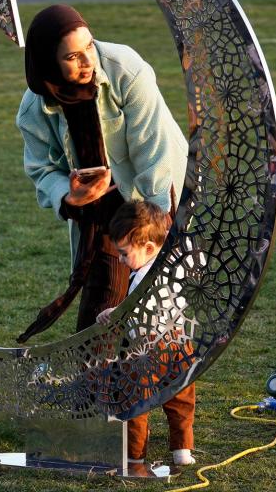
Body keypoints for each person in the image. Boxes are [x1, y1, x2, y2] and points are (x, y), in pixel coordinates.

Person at [15, 4, 188, 342]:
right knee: (102, 311)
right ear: (50, 64)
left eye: (90, 46)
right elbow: (42, 170)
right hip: (99, 216)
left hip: (153, 199)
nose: (87, 61)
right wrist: (70, 195)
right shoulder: (34, 108)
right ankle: (98, 390)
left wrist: (156, 232)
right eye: (72, 57)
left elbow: (155, 153)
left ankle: (166, 389)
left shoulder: (127, 69)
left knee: (159, 311)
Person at [97, 200, 196, 467]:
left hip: (145, 350)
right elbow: (190, 251)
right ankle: (182, 449)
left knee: (136, 403)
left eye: (124, 253)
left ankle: (135, 455)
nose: (120, 259)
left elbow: (138, 312)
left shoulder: (143, 278)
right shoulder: (174, 263)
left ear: (149, 248)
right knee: (180, 398)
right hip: (180, 342)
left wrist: (112, 314)